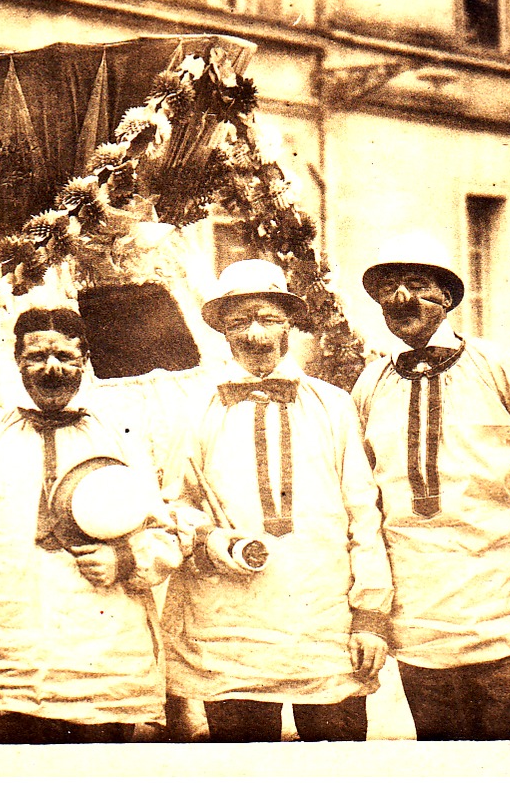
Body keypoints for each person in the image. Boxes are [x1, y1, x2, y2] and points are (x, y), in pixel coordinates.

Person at [0, 304, 182, 743]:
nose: (51, 368)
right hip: (6, 655)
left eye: (65, 356)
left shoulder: (120, 435)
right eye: (36, 356)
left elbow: (163, 529)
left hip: (101, 657)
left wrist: (123, 557)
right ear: (17, 360)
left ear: (86, 361)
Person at [161, 259, 391, 742]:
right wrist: (210, 540)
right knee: (243, 772)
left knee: (339, 770)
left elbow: (363, 513)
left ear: (289, 321)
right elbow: (177, 505)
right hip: (229, 626)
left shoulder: (332, 404)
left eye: (267, 317)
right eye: (240, 320)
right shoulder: (195, 408)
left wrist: (370, 612)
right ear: (223, 328)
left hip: (323, 622)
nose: (255, 333)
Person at [350, 233, 510, 740]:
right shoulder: (372, 384)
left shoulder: (499, 369)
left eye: (419, 285)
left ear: (447, 297)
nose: (402, 299)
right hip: (422, 630)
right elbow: (362, 498)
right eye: (389, 289)